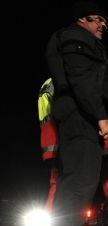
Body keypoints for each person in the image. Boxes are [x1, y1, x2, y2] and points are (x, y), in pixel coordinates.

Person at [43, 1, 108, 226]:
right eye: (97, 19)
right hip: (79, 114)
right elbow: (82, 80)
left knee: (79, 176)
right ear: (81, 19)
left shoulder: (74, 38)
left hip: (77, 113)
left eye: (104, 21)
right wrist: (101, 117)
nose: (103, 25)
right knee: (79, 178)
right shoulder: (76, 36)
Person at [38, 78, 59, 213]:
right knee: (62, 182)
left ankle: (50, 219)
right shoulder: (58, 81)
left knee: (55, 183)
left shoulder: (46, 83)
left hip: (48, 135)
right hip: (58, 134)